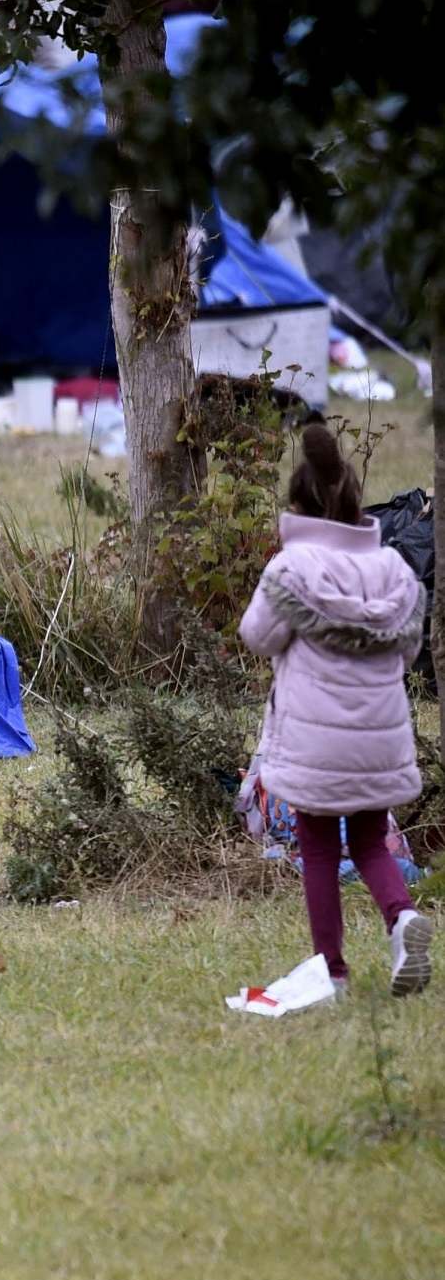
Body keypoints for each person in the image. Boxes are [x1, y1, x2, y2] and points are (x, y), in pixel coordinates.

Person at [239, 424, 432, 998]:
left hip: (315, 744)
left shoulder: (290, 570)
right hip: (379, 740)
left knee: (319, 848)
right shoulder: (395, 570)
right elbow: (411, 647)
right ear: (352, 503)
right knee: (371, 842)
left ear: (298, 507)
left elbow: (257, 636)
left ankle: (334, 970)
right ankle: (400, 917)